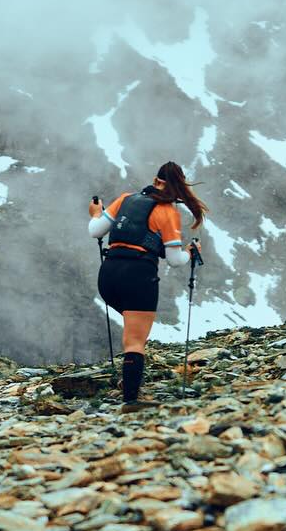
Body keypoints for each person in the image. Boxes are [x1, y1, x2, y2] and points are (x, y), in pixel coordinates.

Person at [87, 161, 206, 404]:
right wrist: (190, 253)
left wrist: (96, 213)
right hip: (138, 275)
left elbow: (96, 231)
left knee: (133, 328)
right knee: (135, 340)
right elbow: (174, 260)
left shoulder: (125, 199)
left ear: (155, 180)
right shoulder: (168, 213)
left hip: (108, 276)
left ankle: (127, 380)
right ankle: (131, 399)